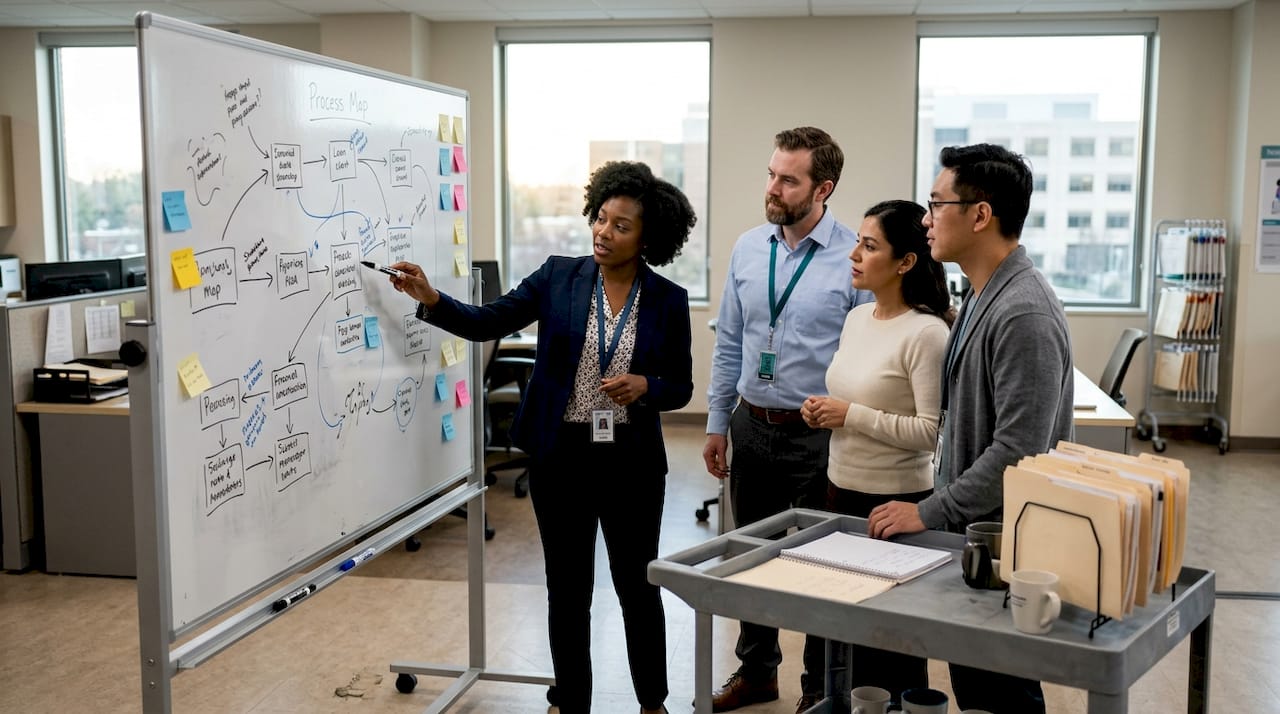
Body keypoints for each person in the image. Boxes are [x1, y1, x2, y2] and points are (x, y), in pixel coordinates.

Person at [390, 160, 695, 714]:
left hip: (631, 465)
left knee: (637, 589)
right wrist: (432, 300)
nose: (603, 232)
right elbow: (489, 321)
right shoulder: (558, 276)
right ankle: (571, 700)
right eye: (600, 219)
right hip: (562, 461)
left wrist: (647, 384)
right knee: (568, 592)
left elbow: (679, 386)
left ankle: (653, 702)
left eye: (621, 226)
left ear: (648, 238)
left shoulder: (669, 301)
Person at [867, 143, 1073, 714]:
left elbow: (1017, 451)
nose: (926, 219)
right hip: (977, 534)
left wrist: (928, 510)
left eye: (937, 204)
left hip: (1005, 542)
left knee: (1001, 691)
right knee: (978, 685)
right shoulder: (984, 293)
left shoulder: (1022, 311)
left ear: (980, 214)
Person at [702, 126, 874, 714]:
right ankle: (757, 674)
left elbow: (868, 355)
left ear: (822, 188)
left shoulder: (855, 257)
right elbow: (730, 340)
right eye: (771, 174)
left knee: (823, 567)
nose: (773, 187)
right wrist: (716, 422)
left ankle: (818, 688)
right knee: (751, 558)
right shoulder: (750, 247)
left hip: (819, 435)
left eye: (788, 179)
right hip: (752, 425)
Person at [800, 199, 954, 709]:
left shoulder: (928, 333)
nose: (854, 254)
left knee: (889, 645)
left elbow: (932, 433)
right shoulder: (859, 316)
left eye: (870, 246)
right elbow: (856, 400)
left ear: (906, 261)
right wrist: (824, 411)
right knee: (839, 629)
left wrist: (851, 415)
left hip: (894, 506)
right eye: (858, 242)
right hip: (840, 491)